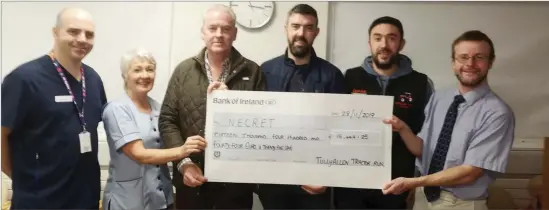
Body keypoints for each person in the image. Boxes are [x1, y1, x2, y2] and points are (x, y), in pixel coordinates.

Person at [382, 30, 515, 210]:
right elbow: (422, 149)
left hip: (460, 204)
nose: (470, 64)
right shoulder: (439, 99)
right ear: (453, 63)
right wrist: (402, 128)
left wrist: (413, 182)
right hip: (424, 198)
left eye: (479, 57)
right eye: (463, 57)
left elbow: (469, 173)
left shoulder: (497, 113)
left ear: (490, 62)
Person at [159, 4, 266, 210]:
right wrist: (184, 164)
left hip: (236, 186)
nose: (219, 34)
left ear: (235, 33)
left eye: (226, 29)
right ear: (203, 32)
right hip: (191, 183)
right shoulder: (184, 71)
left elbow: (262, 128)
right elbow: (167, 120)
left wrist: (232, 105)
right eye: (213, 28)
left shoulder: (253, 72)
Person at [1, 8, 106, 209]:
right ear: (55, 32)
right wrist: (26, 183)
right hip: (40, 202)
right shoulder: (24, 79)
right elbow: (2, 137)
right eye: (73, 32)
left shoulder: (93, 80)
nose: (82, 39)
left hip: (85, 200)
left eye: (89, 34)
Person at [334, 16, 435, 210]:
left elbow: (428, 139)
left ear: (401, 43)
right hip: (352, 183)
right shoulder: (349, 78)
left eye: (391, 38)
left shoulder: (421, 83)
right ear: (369, 43)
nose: (384, 44)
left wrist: (417, 180)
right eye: (378, 38)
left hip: (396, 184)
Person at [256, 4, 346, 210]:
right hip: (273, 181)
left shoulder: (332, 75)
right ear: (286, 28)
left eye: (308, 27)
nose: (301, 33)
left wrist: (327, 177)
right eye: (295, 26)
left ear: (316, 32)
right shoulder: (265, 71)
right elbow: (256, 126)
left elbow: (341, 131)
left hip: (315, 182)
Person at [101, 48, 207, 210]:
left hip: (163, 200)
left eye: (150, 69)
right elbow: (139, 154)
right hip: (128, 202)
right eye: (137, 70)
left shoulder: (160, 109)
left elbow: (172, 141)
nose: (145, 75)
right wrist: (183, 150)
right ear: (125, 75)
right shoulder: (117, 110)